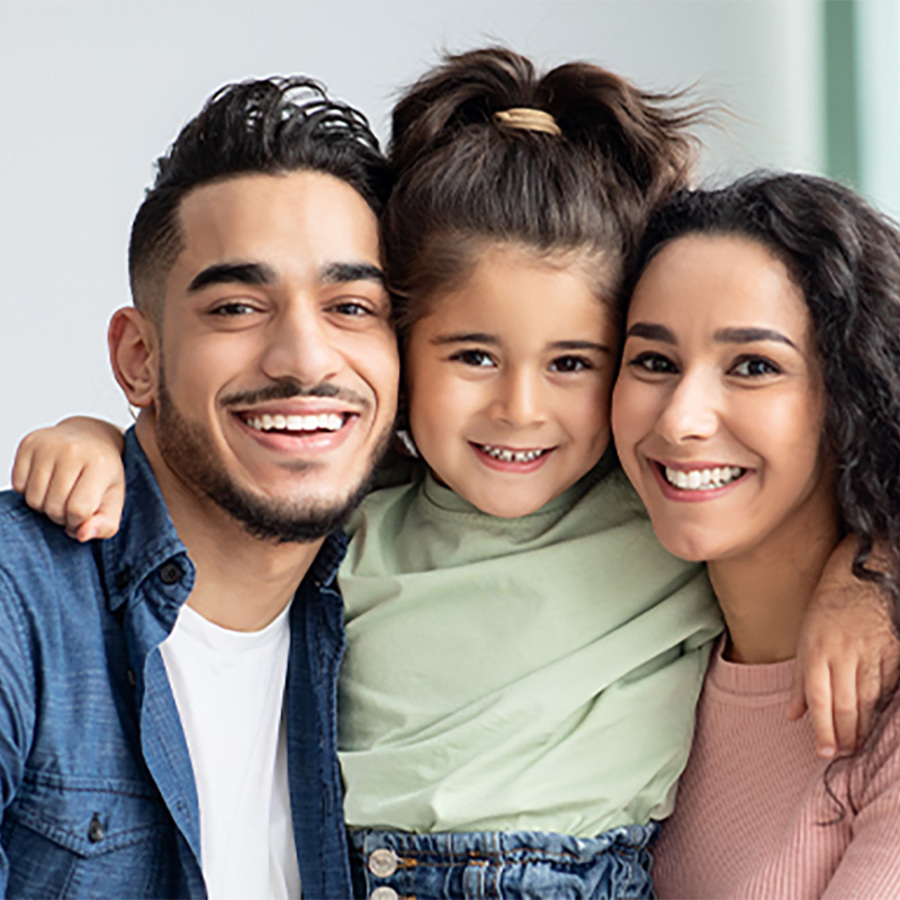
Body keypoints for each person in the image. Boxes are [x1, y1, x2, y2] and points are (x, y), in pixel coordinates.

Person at [16, 51, 900, 899]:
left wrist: (869, 573)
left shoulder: (653, 518)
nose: (520, 408)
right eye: (474, 355)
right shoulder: (344, 529)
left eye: (574, 362)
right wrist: (104, 441)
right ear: (404, 358)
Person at [0, 76, 397, 897]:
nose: (304, 359)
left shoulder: (404, 608)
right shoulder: (19, 600)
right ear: (139, 359)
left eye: (353, 307)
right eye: (237, 307)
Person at [612, 172, 900, 897]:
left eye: (753, 366)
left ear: (854, 393)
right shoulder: (628, 656)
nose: (681, 419)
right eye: (654, 362)